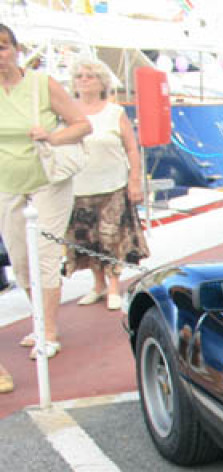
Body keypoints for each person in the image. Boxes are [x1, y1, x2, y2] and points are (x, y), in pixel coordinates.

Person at [0, 22, 91, 368]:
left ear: (16, 49)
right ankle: (38, 317)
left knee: (45, 252)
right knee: (20, 259)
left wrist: (51, 137)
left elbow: (83, 125)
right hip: (6, 182)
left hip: (48, 178)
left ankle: (48, 330)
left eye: (3, 47)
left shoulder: (41, 85)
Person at [66, 58, 148, 311]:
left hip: (112, 184)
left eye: (89, 75)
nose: (84, 79)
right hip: (78, 186)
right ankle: (97, 283)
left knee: (111, 237)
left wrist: (135, 180)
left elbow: (132, 149)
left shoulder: (115, 113)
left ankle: (113, 285)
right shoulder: (67, 112)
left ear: (102, 81)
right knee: (87, 238)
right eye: (79, 75)